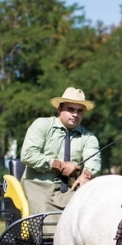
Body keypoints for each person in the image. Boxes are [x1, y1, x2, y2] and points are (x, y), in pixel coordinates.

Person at [20, 87, 101, 215]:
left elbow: (93, 159)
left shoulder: (89, 137)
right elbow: (28, 155)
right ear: (59, 109)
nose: (75, 114)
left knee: (91, 217)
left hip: (70, 189)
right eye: (70, 109)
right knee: (47, 227)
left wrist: (86, 175)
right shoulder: (42, 125)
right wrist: (60, 166)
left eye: (80, 111)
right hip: (37, 186)